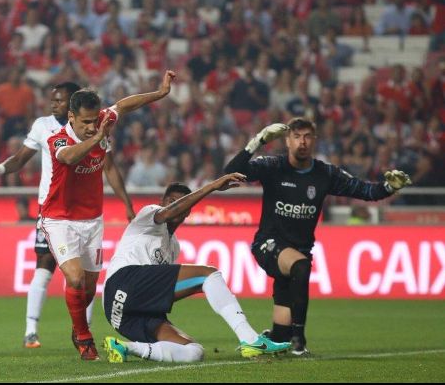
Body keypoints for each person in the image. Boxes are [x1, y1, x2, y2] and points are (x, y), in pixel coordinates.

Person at [224, 118, 412, 355]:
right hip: (268, 244)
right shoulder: (273, 166)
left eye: (307, 136)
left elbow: (366, 191)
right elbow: (231, 171)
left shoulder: (325, 173)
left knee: (280, 332)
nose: (302, 142)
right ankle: (299, 341)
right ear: (287, 140)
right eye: (296, 136)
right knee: (301, 267)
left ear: (314, 140)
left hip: (298, 251)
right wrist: (259, 140)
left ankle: (275, 338)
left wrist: (388, 187)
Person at [40, 71, 176, 360]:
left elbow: (124, 105)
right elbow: (70, 158)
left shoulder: (102, 121)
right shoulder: (59, 141)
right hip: (59, 219)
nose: (91, 126)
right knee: (75, 279)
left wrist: (160, 92)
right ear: (71, 118)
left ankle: (77, 326)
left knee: (88, 289)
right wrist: (99, 136)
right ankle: (84, 337)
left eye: (95, 120)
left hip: (92, 221)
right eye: (85, 122)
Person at [102, 176, 292, 363]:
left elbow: (160, 288)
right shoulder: (149, 214)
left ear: (187, 212)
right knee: (209, 275)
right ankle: (250, 339)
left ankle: (125, 347)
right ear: (162, 202)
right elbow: (168, 213)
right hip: (123, 282)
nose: (175, 205)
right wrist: (212, 187)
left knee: (193, 352)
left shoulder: (174, 247)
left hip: (122, 315)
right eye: (170, 201)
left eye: (182, 203)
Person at [0, 81, 101, 349]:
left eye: (59, 100)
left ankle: (84, 329)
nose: (53, 104)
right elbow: (22, 158)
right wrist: (0, 169)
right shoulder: (42, 125)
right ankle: (31, 330)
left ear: (72, 104)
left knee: (85, 276)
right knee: (44, 266)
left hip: (83, 212)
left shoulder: (90, 125)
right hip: (51, 209)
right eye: (52, 100)